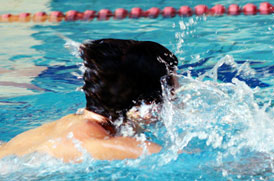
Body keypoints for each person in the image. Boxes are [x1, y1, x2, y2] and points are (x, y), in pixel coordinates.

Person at [0, 39, 178, 162]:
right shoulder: (104, 144)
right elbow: (183, 159)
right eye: (172, 93)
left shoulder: (75, 122)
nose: (176, 99)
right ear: (148, 101)